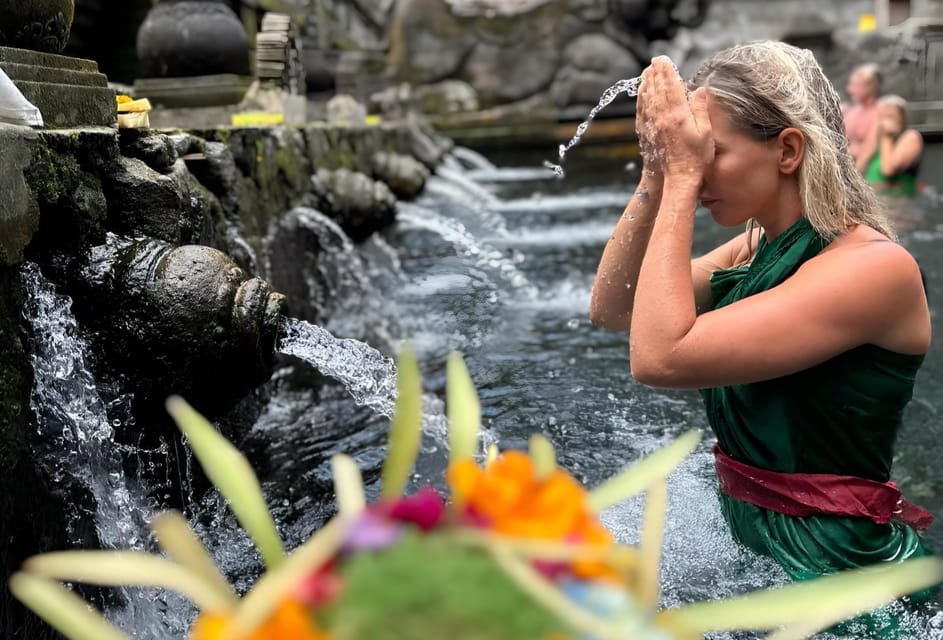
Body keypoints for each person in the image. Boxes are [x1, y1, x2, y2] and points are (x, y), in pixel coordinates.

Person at [590, 41, 935, 595]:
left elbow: (658, 357)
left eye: (711, 152)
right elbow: (614, 308)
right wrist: (657, 171)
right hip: (754, 554)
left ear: (788, 150)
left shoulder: (876, 270)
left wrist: (681, 176)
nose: (698, 168)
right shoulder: (752, 248)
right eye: (694, 151)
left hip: (841, 580)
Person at [863, 94, 924, 197]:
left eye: (890, 116)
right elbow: (858, 168)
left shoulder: (910, 137)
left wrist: (887, 136)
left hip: (897, 201)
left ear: (902, 118)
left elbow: (888, 170)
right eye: (881, 117)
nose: (884, 122)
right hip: (873, 199)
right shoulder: (876, 141)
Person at [843, 62, 882, 173]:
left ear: (870, 87)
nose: (850, 90)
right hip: (847, 166)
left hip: (867, 172)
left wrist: (854, 181)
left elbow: (869, 150)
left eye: (856, 85)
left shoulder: (879, 112)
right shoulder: (850, 112)